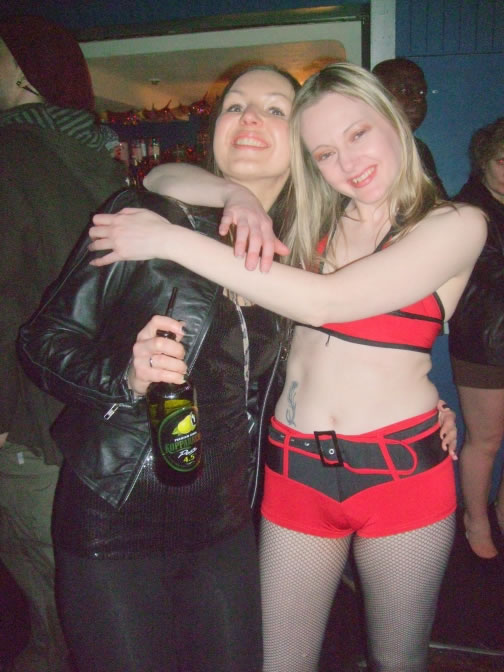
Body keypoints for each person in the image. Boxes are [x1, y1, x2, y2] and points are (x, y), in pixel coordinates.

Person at [84, 63, 485, 672]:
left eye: (358, 133)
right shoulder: (309, 222)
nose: (347, 162)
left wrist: (167, 239)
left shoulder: (457, 223)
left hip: (400, 472)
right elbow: (163, 175)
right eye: (324, 153)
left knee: (397, 660)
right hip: (295, 469)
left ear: (393, 122)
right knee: (279, 662)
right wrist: (237, 195)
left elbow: (328, 302)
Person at [16, 65, 303, 672]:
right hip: (114, 517)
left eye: (275, 109)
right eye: (235, 105)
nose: (251, 117)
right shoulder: (145, 219)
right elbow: (42, 340)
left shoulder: (299, 250)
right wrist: (124, 377)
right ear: (215, 129)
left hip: (225, 522)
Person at [0, 15, 126, 672]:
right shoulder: (98, 156)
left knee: (54, 612)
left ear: (25, 73)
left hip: (24, 422)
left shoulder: (10, 154)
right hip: (95, 422)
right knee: (89, 598)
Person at [448, 118, 504, 559]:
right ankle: (476, 519)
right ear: (484, 162)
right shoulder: (466, 211)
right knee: (485, 441)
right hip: (486, 345)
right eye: (503, 161)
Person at [372, 57, 448, 198]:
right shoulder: (361, 151)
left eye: (422, 93)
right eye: (406, 91)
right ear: (377, 97)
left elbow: (439, 203)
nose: (418, 99)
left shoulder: (418, 149)